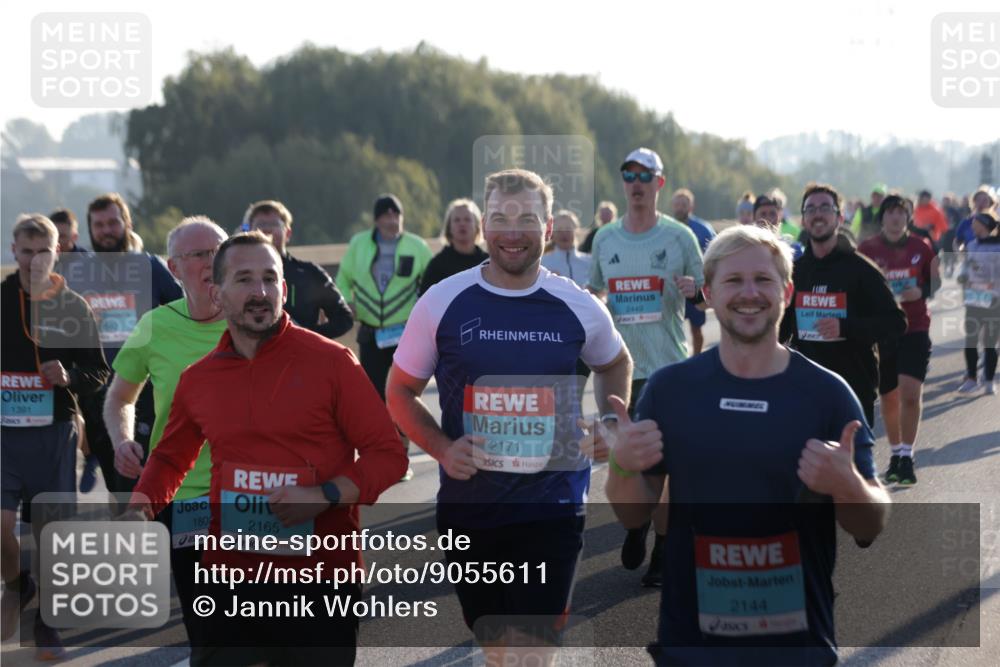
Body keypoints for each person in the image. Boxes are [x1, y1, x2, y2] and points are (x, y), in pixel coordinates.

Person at [606, 224, 889, 666]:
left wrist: (850, 486)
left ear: (788, 291)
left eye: (763, 280)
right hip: (691, 643)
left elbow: (869, 525)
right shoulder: (670, 390)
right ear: (709, 293)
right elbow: (631, 512)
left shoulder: (828, 394)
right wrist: (621, 466)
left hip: (796, 645)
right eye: (733, 281)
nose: (749, 293)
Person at [387, 169, 630, 665]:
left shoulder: (577, 305)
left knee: (529, 652)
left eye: (527, 219)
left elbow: (615, 362)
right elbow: (398, 392)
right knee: (496, 646)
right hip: (470, 511)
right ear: (484, 227)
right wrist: (441, 448)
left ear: (548, 228)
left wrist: (608, 420)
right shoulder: (442, 301)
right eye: (500, 217)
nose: (513, 232)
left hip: (553, 508)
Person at [130, 232, 408, 666]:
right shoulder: (198, 379)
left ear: (283, 287)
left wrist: (324, 496)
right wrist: (140, 506)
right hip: (229, 577)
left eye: (269, 278)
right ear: (216, 293)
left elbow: (388, 455)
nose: (259, 292)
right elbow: (170, 457)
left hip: (320, 580)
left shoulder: (332, 362)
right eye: (243, 279)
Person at [107, 217, 229, 646]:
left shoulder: (255, 319)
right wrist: (123, 439)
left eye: (218, 250)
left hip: (252, 491)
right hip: (185, 496)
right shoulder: (155, 327)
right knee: (206, 626)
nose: (211, 262)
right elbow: (120, 397)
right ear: (175, 269)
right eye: (199, 255)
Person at [589, 147, 704, 587]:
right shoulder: (605, 238)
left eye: (645, 175)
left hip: (669, 368)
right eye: (628, 174)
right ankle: (636, 525)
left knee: (664, 466)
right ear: (623, 183)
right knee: (628, 461)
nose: (636, 183)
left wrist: (696, 290)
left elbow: (706, 292)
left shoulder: (680, 237)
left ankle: (662, 549)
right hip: (623, 371)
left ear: (660, 183)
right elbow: (595, 293)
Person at [1, 214, 110, 658]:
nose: (32, 260)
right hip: (5, 432)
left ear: (57, 251)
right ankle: (16, 583)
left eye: (42, 251)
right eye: (25, 252)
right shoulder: (2, 299)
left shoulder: (74, 306)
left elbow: (100, 371)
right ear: (13, 251)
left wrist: (69, 377)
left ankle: (47, 623)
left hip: (55, 431)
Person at [63, 193, 182, 495]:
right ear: (90, 230)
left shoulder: (151, 267)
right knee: (118, 490)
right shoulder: (76, 275)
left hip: (144, 394)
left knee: (142, 483)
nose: (106, 230)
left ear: (127, 223)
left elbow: (184, 314)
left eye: (113, 222)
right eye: (99, 224)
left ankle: (160, 539)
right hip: (96, 396)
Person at [779, 183, 906, 428]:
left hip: (853, 389)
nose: (818, 214)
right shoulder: (795, 271)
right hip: (806, 389)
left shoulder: (862, 270)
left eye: (825, 208)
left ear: (839, 217)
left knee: (851, 466)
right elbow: (781, 328)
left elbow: (896, 323)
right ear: (804, 220)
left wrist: (845, 327)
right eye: (810, 209)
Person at [335, 194, 432, 482]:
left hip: (405, 332)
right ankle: (378, 455)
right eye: (385, 216)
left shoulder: (417, 247)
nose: (391, 221)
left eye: (396, 215)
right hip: (371, 333)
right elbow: (343, 279)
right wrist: (345, 302)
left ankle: (402, 458)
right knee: (374, 397)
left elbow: (430, 285)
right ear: (376, 219)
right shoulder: (359, 244)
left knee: (403, 394)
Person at [858, 195, 939, 486]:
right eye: (890, 213)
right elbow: (858, 287)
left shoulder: (921, 247)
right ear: (882, 218)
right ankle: (894, 455)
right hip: (883, 331)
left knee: (910, 392)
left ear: (908, 217)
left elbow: (935, 281)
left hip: (915, 327)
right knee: (889, 396)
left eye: (901, 213)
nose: (895, 218)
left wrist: (922, 292)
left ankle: (907, 455)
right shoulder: (867, 249)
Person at [245, 199, 354, 339]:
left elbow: (344, 318)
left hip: (300, 357)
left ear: (288, 233)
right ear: (248, 232)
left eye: (273, 224)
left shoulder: (309, 274)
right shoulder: (236, 275)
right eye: (260, 225)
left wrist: (310, 337)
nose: (266, 229)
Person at [956, 211, 1000, 395]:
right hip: (973, 297)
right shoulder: (971, 244)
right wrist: (963, 275)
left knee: (990, 341)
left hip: (994, 298)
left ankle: (989, 380)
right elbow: (966, 267)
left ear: (985, 226)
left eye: (977, 220)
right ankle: (972, 378)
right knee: (971, 339)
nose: (972, 222)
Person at [671, 188, 716, 355]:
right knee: (672, 329)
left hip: (696, 287)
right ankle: (676, 361)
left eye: (684, 204)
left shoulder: (703, 229)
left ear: (691, 206)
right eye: (678, 204)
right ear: (673, 206)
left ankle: (696, 359)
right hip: (673, 288)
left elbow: (713, 256)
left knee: (696, 329)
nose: (680, 208)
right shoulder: (666, 229)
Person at [420, 198, 488, 294]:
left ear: (477, 226)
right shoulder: (437, 265)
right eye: (457, 220)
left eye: (467, 219)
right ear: (449, 228)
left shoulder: (487, 263)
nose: (462, 224)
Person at [541, 209, 591, 288]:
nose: (564, 234)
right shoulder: (543, 263)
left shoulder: (590, 261)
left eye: (568, 230)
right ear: (552, 233)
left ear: (576, 231)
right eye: (559, 230)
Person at [751, 194, 803, 260]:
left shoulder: (793, 251)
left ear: (780, 217)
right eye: (763, 214)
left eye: (772, 214)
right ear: (754, 218)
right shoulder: (746, 250)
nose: (768, 219)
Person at [955, 186, 998, 251]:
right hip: (971, 257)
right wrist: (960, 251)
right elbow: (957, 241)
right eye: (978, 200)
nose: (981, 203)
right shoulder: (967, 222)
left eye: (985, 200)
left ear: (990, 202)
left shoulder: (996, 222)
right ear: (973, 202)